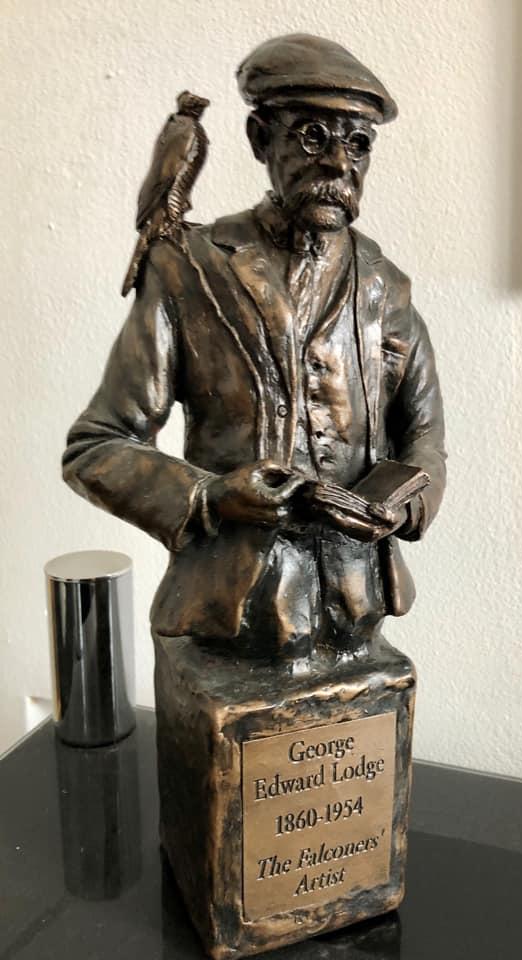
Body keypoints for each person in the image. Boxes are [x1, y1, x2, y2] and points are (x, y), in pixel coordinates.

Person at [63, 34, 446, 661]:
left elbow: (425, 438)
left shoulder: (385, 287)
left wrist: (402, 507)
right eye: (314, 137)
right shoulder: (188, 268)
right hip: (234, 620)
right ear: (259, 139)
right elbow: (96, 446)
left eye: (358, 143)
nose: (338, 163)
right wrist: (212, 496)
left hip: (359, 617)